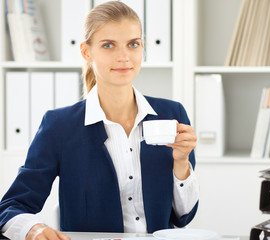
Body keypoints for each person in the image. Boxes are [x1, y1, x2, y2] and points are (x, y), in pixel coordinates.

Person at [0, 1, 199, 240]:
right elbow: (11, 207)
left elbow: (184, 217)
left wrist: (182, 163)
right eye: (108, 45)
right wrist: (34, 230)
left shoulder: (171, 114)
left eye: (133, 44)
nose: (124, 56)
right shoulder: (59, 126)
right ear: (86, 51)